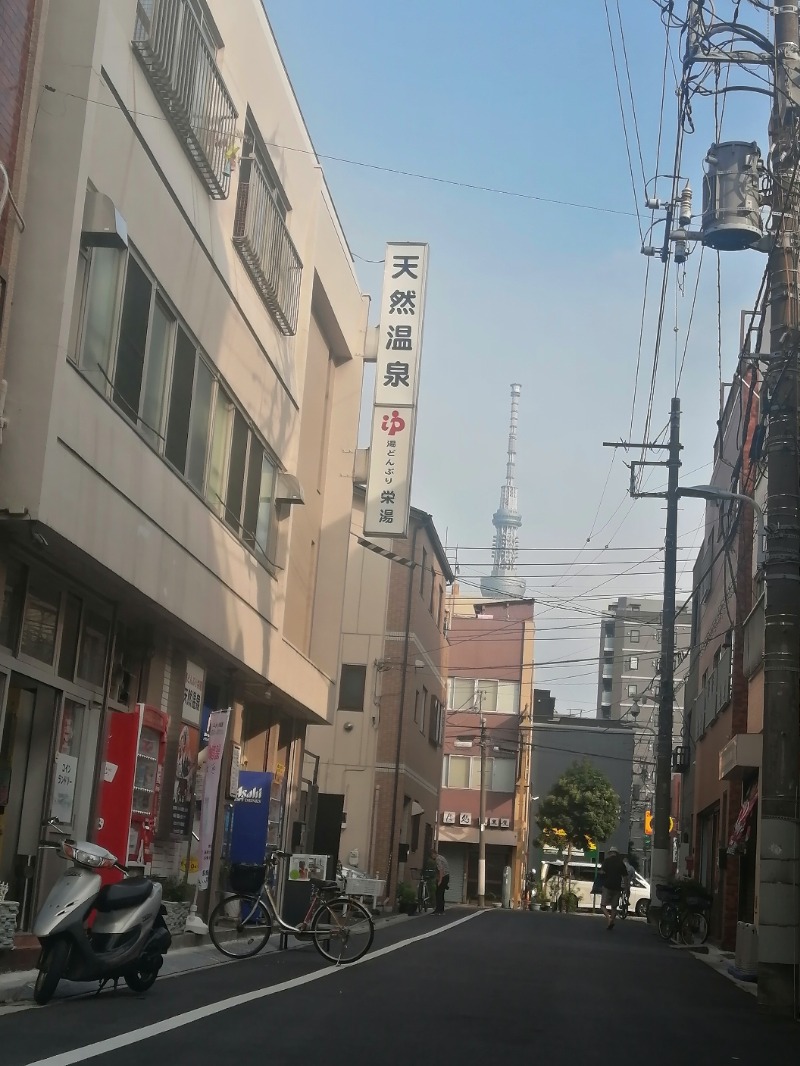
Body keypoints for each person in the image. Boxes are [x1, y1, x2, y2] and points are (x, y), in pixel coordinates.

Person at [600, 846, 629, 930]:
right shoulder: (621, 863)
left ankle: (609, 919)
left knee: (602, 905)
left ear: (610, 853)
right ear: (617, 854)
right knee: (614, 906)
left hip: (607, 885)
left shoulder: (606, 861)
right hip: (617, 887)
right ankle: (611, 921)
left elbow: (602, 872)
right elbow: (625, 877)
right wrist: (626, 888)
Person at [430, 847, 449, 914]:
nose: (432, 857)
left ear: (434, 854)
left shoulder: (438, 859)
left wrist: (440, 880)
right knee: (441, 893)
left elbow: (441, 870)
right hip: (446, 876)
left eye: (432, 855)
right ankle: (441, 910)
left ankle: (438, 910)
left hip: (443, 877)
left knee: (438, 893)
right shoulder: (441, 857)